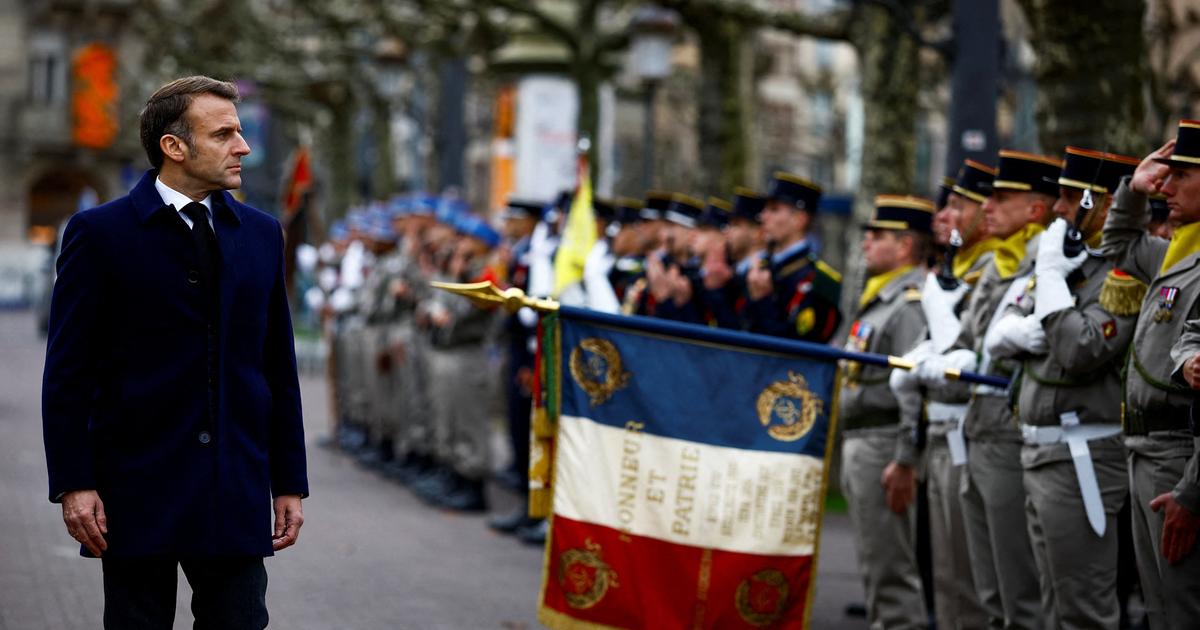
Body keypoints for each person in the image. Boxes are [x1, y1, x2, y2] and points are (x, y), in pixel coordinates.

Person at [41, 76, 308, 629]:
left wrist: (288, 481)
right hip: (135, 488)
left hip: (233, 487)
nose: (244, 146)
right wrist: (74, 481)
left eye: (240, 132)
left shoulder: (261, 234)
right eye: (225, 134)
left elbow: (278, 369)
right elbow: (69, 371)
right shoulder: (100, 233)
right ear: (174, 146)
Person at [986, 147, 1139, 629]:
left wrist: (1050, 278)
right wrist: (1043, 303)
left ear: (1104, 205)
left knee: (1083, 611)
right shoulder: (1069, 259)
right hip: (1039, 451)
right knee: (1052, 606)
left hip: (1082, 458)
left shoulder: (1120, 273)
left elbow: (1079, 350)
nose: (1058, 208)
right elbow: (1004, 329)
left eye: (1072, 199)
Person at [915, 149, 1061, 629]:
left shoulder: (1047, 265)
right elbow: (967, 344)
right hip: (977, 432)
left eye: (999, 198)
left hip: (1009, 434)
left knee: (1020, 595)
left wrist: (964, 355)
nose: (987, 207)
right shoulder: (1000, 266)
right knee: (987, 593)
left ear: (1035, 210)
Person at [890, 159, 997, 629]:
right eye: (947, 206)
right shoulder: (956, 267)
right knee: (949, 578)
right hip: (942, 429)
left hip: (974, 432)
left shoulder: (991, 269)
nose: (946, 217)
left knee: (975, 582)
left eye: (958, 206)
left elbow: (972, 350)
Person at [1102, 122, 1200, 629]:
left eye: (1179, 177)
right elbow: (1119, 244)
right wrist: (1131, 190)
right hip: (1145, 450)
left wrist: (1192, 492)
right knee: (1159, 609)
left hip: (1181, 456)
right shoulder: (1178, 256)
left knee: (1184, 607)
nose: (1165, 187)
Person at [839, 195, 933, 630]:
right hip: (863, 440)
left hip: (883, 444)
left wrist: (905, 458)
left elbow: (913, 389)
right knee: (875, 567)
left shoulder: (907, 303)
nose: (866, 244)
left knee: (892, 572)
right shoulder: (880, 297)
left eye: (877, 237)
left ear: (905, 247)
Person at [742, 172, 842, 342]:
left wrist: (762, 301)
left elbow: (799, 345)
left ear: (799, 219)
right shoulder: (762, 267)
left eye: (774, 210)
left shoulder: (821, 281)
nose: (763, 217)